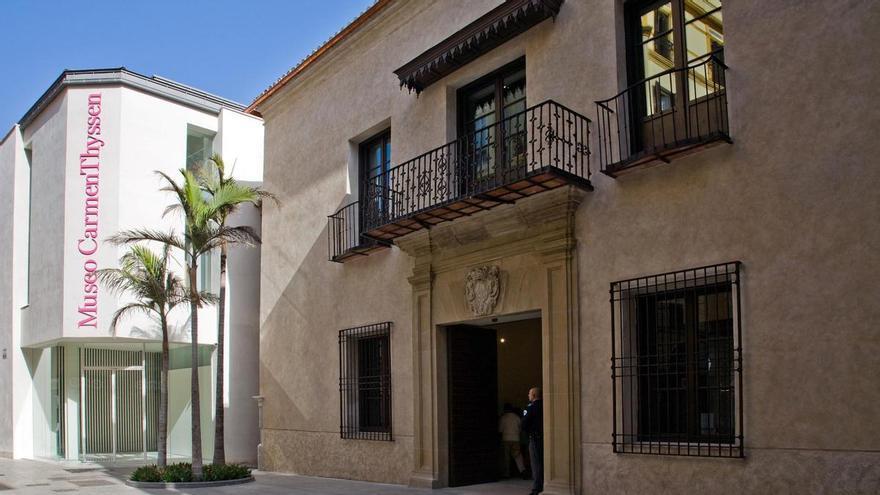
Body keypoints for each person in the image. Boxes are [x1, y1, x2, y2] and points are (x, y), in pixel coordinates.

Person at [521, 387, 543, 495]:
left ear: (534, 395)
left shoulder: (531, 407)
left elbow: (524, 423)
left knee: (535, 463)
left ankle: (536, 488)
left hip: (534, 438)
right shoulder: (545, 405)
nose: (528, 395)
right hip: (544, 438)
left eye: (529, 394)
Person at [498, 403, 526, 478]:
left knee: (506, 457)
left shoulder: (503, 418)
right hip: (516, 438)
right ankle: (522, 470)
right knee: (518, 456)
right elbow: (520, 428)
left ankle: (506, 473)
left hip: (506, 439)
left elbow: (500, 430)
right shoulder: (516, 417)